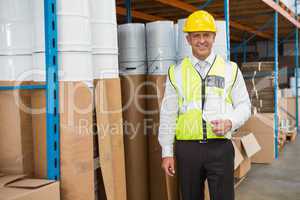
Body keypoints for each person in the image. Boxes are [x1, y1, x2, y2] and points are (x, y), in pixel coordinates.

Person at [158, 10, 251, 200]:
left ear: (214, 37)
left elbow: (244, 106)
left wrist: (230, 122)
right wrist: (167, 152)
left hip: (220, 148)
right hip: (187, 150)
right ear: (188, 39)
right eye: (196, 36)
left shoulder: (230, 70)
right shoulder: (176, 73)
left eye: (206, 35)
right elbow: (168, 114)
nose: (202, 41)